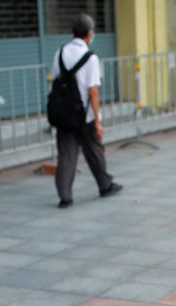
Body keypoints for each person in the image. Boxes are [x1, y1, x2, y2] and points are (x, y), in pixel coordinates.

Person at [51, 13, 122, 209]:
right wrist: (98, 121)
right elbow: (93, 92)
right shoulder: (90, 58)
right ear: (89, 34)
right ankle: (105, 185)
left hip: (65, 115)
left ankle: (65, 196)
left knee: (66, 154)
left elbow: (55, 82)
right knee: (94, 151)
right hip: (85, 116)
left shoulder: (60, 53)